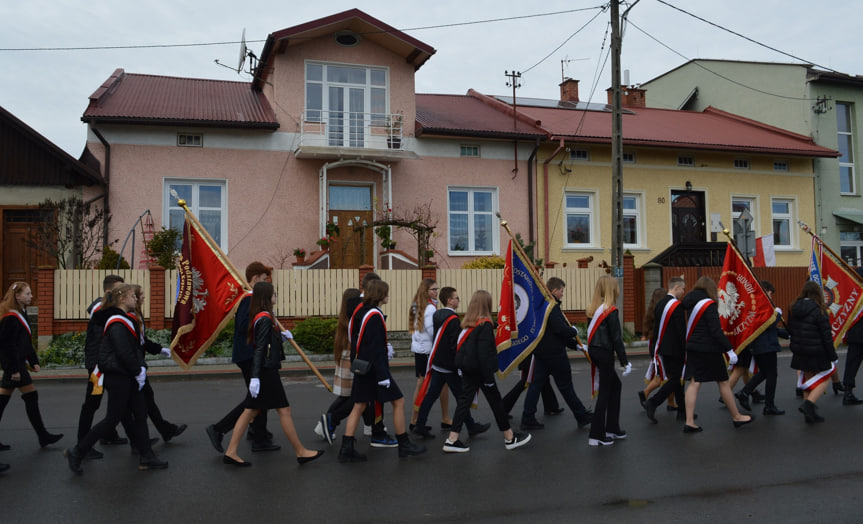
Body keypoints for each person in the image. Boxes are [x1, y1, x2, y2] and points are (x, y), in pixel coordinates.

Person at [65, 284, 167, 474]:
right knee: (112, 418)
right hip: (118, 376)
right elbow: (123, 350)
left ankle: (147, 456)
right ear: (122, 298)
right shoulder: (117, 321)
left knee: (140, 413)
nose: (135, 299)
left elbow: (135, 347)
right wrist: (138, 370)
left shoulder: (123, 319)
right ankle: (78, 451)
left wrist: (140, 368)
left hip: (127, 374)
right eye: (132, 296)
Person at [222, 281, 324, 466]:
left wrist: (281, 337)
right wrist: (254, 377)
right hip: (266, 372)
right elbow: (260, 349)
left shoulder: (263, 317)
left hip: (263, 371)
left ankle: (231, 452)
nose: (276, 296)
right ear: (267, 297)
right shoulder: (265, 318)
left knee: (249, 410)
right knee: (283, 410)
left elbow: (266, 343)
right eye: (274, 294)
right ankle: (301, 452)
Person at [338, 279, 426, 462]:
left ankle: (346, 448)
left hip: (362, 366)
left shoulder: (360, 311)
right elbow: (376, 348)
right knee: (399, 402)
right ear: (379, 295)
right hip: (376, 370)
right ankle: (404, 444)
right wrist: (383, 375)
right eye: (386, 292)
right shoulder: (375, 315)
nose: (388, 296)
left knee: (359, 405)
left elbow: (359, 340)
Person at [443, 290, 531, 453]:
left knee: (465, 402)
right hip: (480, 371)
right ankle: (510, 438)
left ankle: (452, 439)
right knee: (496, 403)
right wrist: (489, 377)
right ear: (487, 305)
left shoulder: (470, 322)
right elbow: (484, 354)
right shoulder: (484, 326)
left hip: (468, 368)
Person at [206, 262, 279, 453]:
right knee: (257, 398)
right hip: (249, 354)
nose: (265, 283)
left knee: (259, 397)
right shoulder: (249, 299)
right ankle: (220, 429)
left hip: (250, 354)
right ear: (255, 279)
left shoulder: (253, 299)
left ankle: (257, 432)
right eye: (263, 280)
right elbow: (243, 326)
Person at [412, 287, 490, 439]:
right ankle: (471, 426)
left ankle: (420, 424)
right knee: (462, 397)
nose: (458, 300)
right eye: (456, 298)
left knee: (432, 395)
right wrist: (460, 364)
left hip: (438, 363)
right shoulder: (453, 320)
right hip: (449, 366)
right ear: (449, 300)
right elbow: (454, 345)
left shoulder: (438, 314)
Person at [681, 276, 753, 433]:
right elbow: (715, 331)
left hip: (693, 346)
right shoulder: (709, 304)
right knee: (723, 382)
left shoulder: (689, 302)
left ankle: (689, 421)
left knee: (694, 383)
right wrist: (729, 349)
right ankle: (737, 416)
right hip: (709, 349)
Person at [520, 277, 593, 431]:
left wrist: (576, 346)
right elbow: (560, 330)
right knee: (566, 386)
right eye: (561, 291)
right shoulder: (552, 307)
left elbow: (552, 333)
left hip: (542, 352)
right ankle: (581, 415)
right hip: (554, 355)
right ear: (554, 290)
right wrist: (573, 331)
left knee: (536, 385)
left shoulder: (541, 306)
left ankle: (528, 417)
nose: (562, 294)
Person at [0, 282, 63, 450]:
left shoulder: (22, 313)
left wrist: (34, 360)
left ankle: (43, 436)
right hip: (15, 365)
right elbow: (8, 346)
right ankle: (43, 436)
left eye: (30, 293)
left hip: (18, 363)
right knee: (30, 398)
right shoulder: (11, 317)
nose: (31, 296)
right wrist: (13, 370)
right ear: (17, 296)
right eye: (27, 294)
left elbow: (25, 342)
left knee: (7, 400)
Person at [76, 275, 130, 459]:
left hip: (104, 364)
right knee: (92, 403)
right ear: (109, 292)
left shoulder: (106, 308)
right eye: (118, 290)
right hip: (98, 367)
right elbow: (102, 339)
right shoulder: (101, 310)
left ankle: (110, 435)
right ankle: (82, 444)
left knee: (118, 400)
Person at [129, 284, 187, 443]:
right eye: (140, 295)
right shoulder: (129, 316)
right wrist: (138, 366)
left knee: (146, 400)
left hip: (137, 365)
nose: (143, 297)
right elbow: (133, 344)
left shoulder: (137, 314)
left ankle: (164, 431)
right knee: (126, 409)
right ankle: (138, 440)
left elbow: (142, 341)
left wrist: (161, 349)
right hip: (133, 367)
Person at [585, 276, 630, 446]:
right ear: (612, 289)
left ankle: (612, 427)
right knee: (605, 392)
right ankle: (596, 434)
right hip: (604, 353)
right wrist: (625, 362)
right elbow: (617, 339)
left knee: (615, 386)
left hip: (596, 351)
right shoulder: (610, 310)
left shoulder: (593, 309)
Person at [316, 288, 362, 445]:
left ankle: (326, 424)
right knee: (356, 398)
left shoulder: (345, 316)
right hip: (351, 358)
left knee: (346, 396)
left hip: (346, 357)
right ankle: (330, 420)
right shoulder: (352, 318)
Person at [735, 281, 788, 415]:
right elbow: (765, 324)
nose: (771, 297)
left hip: (762, 344)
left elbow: (767, 329)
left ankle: (745, 392)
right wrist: (777, 315)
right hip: (765, 346)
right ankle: (768, 405)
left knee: (765, 373)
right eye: (770, 293)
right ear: (764, 290)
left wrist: (785, 333)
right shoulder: (760, 305)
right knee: (771, 375)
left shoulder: (756, 304)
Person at [788, 280, 837, 423]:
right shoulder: (819, 310)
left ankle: (809, 415)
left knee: (807, 379)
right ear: (818, 293)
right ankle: (809, 405)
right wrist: (832, 355)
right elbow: (826, 336)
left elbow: (791, 329)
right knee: (826, 377)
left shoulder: (793, 307)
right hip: (817, 350)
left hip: (799, 350)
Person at [408, 279, 451, 431]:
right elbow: (434, 332)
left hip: (420, 349)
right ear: (426, 291)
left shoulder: (416, 304)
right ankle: (440, 418)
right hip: (429, 351)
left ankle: (417, 419)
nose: (436, 292)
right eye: (433, 289)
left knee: (426, 384)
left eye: (436, 289)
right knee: (432, 384)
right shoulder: (431, 309)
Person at [643, 277, 688, 423]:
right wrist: (685, 349)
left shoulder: (660, 303)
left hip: (662, 348)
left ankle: (682, 412)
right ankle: (653, 402)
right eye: (683, 288)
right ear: (676, 287)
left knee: (677, 379)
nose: (683, 292)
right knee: (676, 379)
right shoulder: (677, 306)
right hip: (675, 350)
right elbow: (681, 331)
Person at [840, 267, 863, 405]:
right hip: (857, 333)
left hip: (855, 334)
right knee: (852, 364)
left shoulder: (852, 294)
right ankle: (848, 392)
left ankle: (848, 392)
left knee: (852, 364)